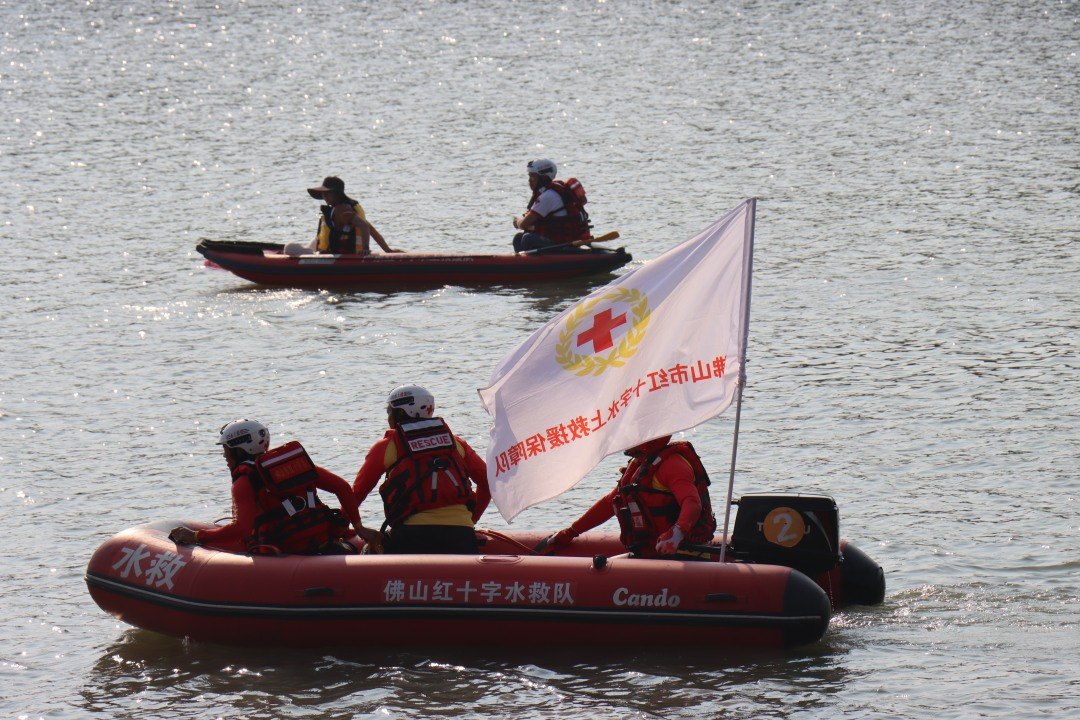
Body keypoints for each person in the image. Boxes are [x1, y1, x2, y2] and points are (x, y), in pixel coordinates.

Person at [169, 419, 380, 554]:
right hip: (326, 545)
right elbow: (342, 487)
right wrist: (358, 526)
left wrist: (196, 536)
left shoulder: (244, 483)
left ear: (238, 450)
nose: (224, 456)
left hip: (285, 553)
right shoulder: (296, 465)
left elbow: (241, 529)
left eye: (226, 450)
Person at [353, 385, 491, 554]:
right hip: (462, 536)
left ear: (401, 412)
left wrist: (348, 528)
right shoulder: (457, 444)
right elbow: (488, 483)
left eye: (389, 412)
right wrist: (470, 521)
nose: (388, 418)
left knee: (369, 551)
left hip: (411, 537)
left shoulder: (387, 446)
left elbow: (355, 495)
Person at [539, 435, 717, 559]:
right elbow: (609, 503)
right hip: (651, 552)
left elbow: (692, 503)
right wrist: (571, 532)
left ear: (647, 441)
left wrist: (677, 533)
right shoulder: (640, 464)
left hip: (683, 553)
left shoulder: (672, 465)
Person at [285, 176, 403, 256]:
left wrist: (365, 249)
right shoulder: (348, 207)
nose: (324, 196)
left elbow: (364, 226)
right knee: (316, 239)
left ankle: (306, 253)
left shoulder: (342, 210)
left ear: (337, 194)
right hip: (326, 250)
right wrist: (387, 249)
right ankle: (307, 251)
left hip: (331, 254)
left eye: (327, 193)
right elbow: (370, 228)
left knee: (289, 248)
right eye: (323, 193)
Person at [512, 158, 592, 254]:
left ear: (543, 178)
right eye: (529, 176)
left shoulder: (548, 196)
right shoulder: (555, 190)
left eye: (532, 177)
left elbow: (524, 224)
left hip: (564, 245)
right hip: (564, 241)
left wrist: (517, 222)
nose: (529, 181)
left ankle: (531, 262)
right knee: (518, 238)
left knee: (528, 238)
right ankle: (525, 261)